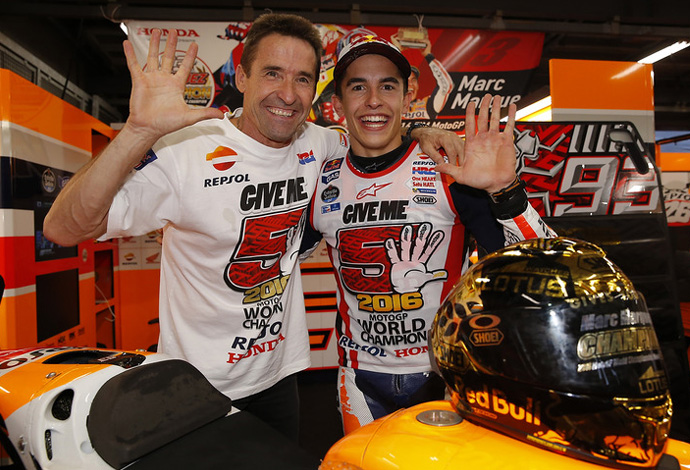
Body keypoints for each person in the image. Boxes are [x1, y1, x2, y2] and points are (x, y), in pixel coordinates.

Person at [42, 13, 458, 441]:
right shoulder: (186, 150)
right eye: (272, 73)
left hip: (278, 379)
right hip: (197, 384)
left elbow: (376, 134)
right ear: (242, 77)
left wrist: (422, 132)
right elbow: (63, 229)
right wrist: (136, 133)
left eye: (302, 78)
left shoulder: (319, 143)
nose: (287, 94)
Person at [300, 34, 555, 434]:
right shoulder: (320, 178)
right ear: (338, 101)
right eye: (358, 87)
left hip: (445, 372)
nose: (373, 100)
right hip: (360, 379)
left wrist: (504, 191)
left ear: (407, 97)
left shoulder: (447, 168)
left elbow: (543, 267)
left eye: (387, 86)